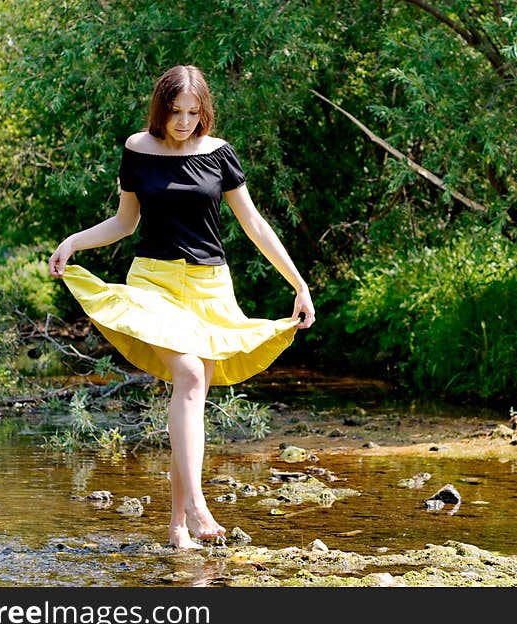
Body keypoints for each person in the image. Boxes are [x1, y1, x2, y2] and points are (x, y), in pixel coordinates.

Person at [48, 64, 316, 550]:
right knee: (190, 377)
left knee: (190, 400)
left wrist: (298, 283)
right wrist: (73, 242)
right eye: (176, 112)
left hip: (211, 288)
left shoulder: (218, 155)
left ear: (204, 111)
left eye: (194, 113)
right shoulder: (137, 150)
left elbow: (254, 224)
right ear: (161, 108)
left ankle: (176, 528)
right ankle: (196, 504)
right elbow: (124, 223)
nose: (185, 122)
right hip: (154, 280)